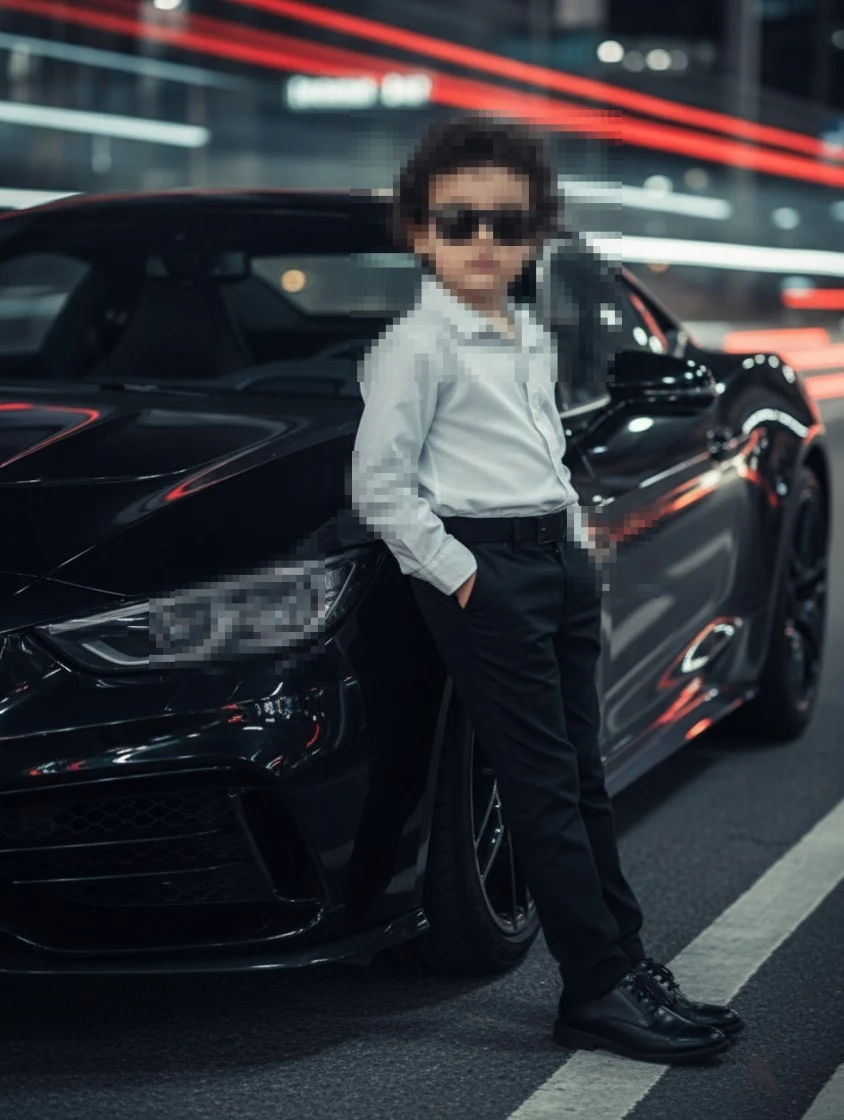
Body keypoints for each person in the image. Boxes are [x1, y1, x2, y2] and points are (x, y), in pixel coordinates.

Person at [350, 113, 743, 1063]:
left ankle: (628, 962)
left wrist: (574, 546)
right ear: (418, 231)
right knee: (544, 795)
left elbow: (546, 450)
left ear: (533, 235)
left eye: (505, 223)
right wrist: (466, 581)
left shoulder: (521, 330)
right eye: (458, 222)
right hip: (483, 573)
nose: (483, 242)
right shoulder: (415, 347)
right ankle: (597, 990)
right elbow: (379, 489)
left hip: (554, 567)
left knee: (585, 781)